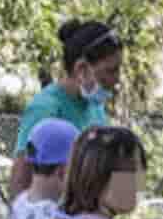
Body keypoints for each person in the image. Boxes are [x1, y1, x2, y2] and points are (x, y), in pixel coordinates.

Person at [9, 19, 123, 199]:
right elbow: (20, 183)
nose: (117, 79)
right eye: (111, 70)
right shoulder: (45, 110)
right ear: (82, 69)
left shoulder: (95, 108)